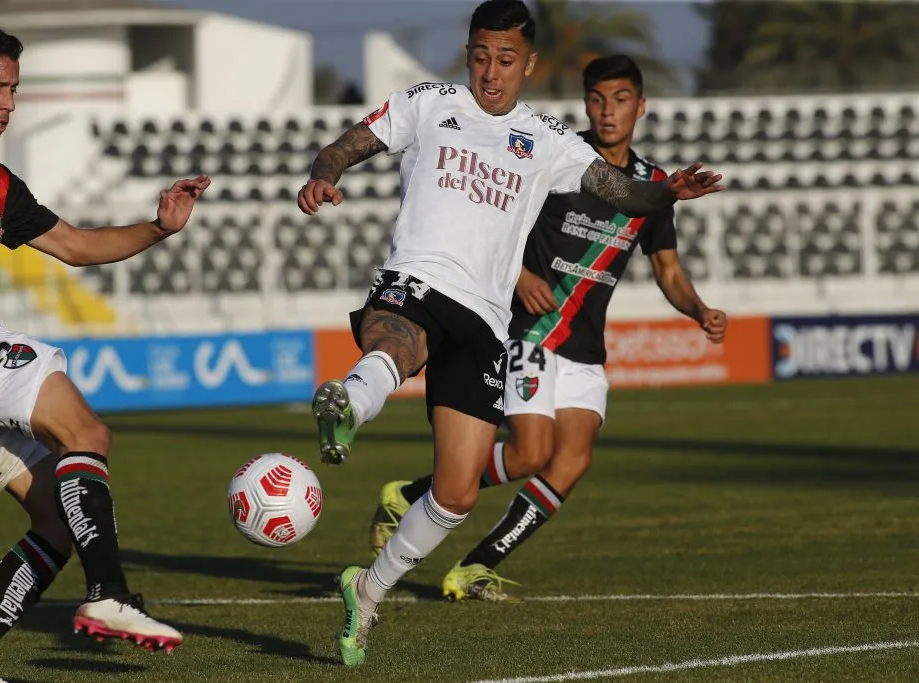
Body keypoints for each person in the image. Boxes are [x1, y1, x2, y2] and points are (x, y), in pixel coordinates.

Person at [297, 0, 723, 667]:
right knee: (396, 342)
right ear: (467, 53)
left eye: (504, 60)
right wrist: (324, 175)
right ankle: (350, 402)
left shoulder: (549, 139)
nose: (490, 72)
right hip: (419, 277)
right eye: (479, 56)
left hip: (488, 320)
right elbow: (345, 145)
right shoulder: (429, 102)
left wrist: (669, 190)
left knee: (459, 490)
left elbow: (622, 191)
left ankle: (367, 588)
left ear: (527, 63)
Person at [0, 25, 210, 683]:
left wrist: (158, 226)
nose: (8, 102)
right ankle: (112, 593)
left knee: (57, 518)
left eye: (13, 88)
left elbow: (75, 246)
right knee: (86, 428)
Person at [369, 54, 729, 602]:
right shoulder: (557, 158)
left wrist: (699, 310)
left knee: (573, 460)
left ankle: (476, 565)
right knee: (531, 452)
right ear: (585, 103)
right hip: (529, 331)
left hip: (584, 344)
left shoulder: (652, 186)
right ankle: (415, 494)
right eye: (598, 99)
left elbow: (668, 269)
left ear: (641, 106)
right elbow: (490, 225)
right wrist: (520, 277)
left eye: (621, 99)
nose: (608, 112)